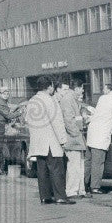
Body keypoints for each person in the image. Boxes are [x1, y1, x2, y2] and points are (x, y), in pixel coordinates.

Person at [27, 76, 74, 204]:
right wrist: (63, 140)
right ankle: (60, 196)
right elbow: (57, 122)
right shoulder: (50, 101)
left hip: (38, 142)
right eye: (52, 86)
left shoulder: (32, 101)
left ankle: (45, 196)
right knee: (56, 169)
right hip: (51, 142)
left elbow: (28, 120)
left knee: (42, 171)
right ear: (49, 87)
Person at [58, 80, 89, 199]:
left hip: (76, 137)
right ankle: (71, 191)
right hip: (73, 138)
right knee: (74, 166)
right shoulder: (68, 100)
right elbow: (69, 121)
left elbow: (75, 118)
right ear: (76, 88)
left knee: (79, 165)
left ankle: (80, 190)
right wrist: (77, 135)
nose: (83, 91)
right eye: (82, 88)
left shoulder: (73, 100)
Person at [0, 86, 21, 175]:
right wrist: (19, 113)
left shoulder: (3, 102)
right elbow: (8, 115)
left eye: (7, 93)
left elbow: (8, 114)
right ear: (0, 94)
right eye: (4, 93)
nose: (6, 95)